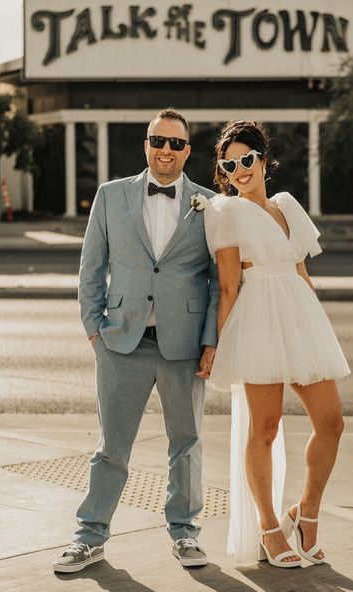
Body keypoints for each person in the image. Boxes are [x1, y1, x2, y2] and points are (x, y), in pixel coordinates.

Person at [53, 109, 218, 573]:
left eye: (177, 143)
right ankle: (89, 537)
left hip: (183, 345)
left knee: (186, 443)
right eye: (158, 140)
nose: (167, 150)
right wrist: (94, 330)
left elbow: (216, 283)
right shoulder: (111, 196)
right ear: (146, 144)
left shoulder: (208, 203)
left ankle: (185, 535)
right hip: (121, 341)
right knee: (111, 447)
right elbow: (91, 267)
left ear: (188, 150)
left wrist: (211, 341)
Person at [203, 120, 350, 567]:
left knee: (332, 422)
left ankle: (306, 515)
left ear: (264, 160)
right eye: (229, 165)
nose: (239, 170)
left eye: (247, 159)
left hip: (300, 315)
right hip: (258, 319)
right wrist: (217, 346)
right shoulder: (224, 211)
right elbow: (229, 286)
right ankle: (269, 527)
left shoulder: (287, 205)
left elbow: (302, 272)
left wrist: (317, 322)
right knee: (263, 429)